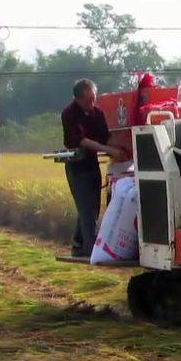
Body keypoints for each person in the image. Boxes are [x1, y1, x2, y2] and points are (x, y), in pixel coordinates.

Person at [61, 79, 126, 257]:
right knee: (86, 208)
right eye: (88, 100)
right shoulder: (69, 114)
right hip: (77, 166)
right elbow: (83, 141)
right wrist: (109, 150)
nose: (92, 103)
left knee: (94, 207)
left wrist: (125, 145)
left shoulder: (97, 113)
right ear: (78, 99)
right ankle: (92, 250)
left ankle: (78, 244)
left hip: (92, 165)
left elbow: (105, 136)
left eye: (94, 98)